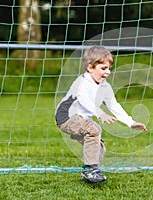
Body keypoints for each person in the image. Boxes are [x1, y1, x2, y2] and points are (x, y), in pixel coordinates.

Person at [55, 46, 147, 183]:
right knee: (94, 128)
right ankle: (90, 170)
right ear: (90, 68)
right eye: (103, 68)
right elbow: (83, 98)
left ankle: (90, 174)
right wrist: (100, 113)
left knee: (99, 146)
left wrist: (130, 122)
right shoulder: (82, 82)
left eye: (109, 68)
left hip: (82, 119)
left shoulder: (105, 87)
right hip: (66, 117)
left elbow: (114, 105)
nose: (108, 72)